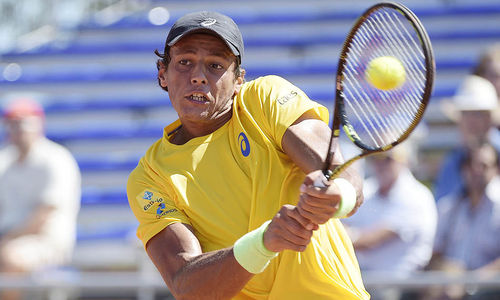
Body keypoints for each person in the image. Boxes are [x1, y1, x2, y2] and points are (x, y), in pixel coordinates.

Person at [127, 11, 369, 299]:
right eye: (184, 62)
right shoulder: (149, 178)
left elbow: (336, 171)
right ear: (162, 74)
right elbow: (187, 285)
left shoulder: (264, 98)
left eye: (215, 65)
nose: (198, 77)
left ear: (238, 80)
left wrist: (337, 195)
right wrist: (263, 244)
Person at [0, 98, 81, 300]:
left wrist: (6, 240)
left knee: (10, 258)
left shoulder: (55, 159)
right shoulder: (5, 160)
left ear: (39, 124)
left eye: (24, 122)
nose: (19, 129)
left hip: (47, 241)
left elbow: (44, 215)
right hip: (9, 237)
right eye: (13, 123)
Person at [342, 143, 437, 299]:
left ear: (404, 160)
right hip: (364, 280)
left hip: (400, 286)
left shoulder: (416, 197)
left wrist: (344, 235)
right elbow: (343, 226)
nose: (380, 164)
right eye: (375, 158)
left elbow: (369, 241)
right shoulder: (369, 188)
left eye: (387, 159)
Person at [426, 142, 500, 300]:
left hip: (490, 290)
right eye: (471, 165)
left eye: (484, 165)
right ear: (463, 169)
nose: (477, 171)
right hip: (450, 288)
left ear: (496, 170)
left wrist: (471, 281)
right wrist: (449, 273)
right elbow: (435, 254)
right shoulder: (449, 207)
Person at [434, 75, 499, 201]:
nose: (470, 120)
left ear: (489, 118)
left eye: (477, 113)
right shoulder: (453, 160)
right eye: (465, 113)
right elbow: (442, 206)